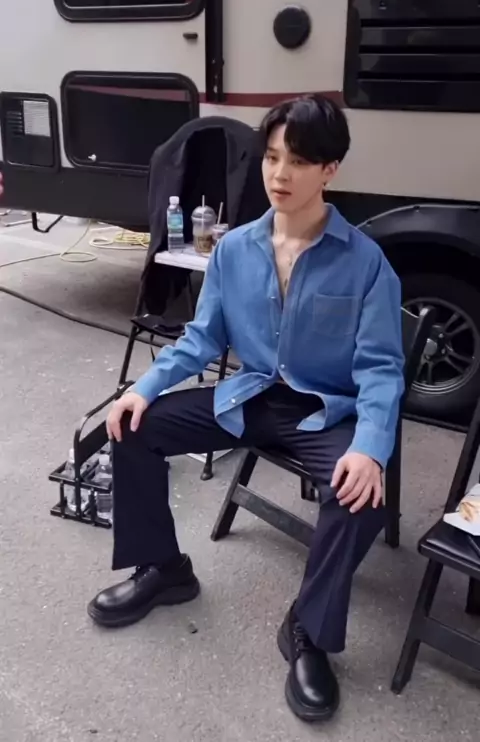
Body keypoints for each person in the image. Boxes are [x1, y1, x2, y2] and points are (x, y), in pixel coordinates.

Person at [88, 94, 405, 723]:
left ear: (330, 170)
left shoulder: (366, 263)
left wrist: (370, 447)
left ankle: (308, 630)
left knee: (362, 495)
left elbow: (381, 370)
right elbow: (202, 338)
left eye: (299, 161)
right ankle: (164, 570)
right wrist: (143, 388)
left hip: (322, 411)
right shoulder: (234, 249)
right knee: (132, 427)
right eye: (272, 157)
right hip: (250, 396)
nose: (280, 174)